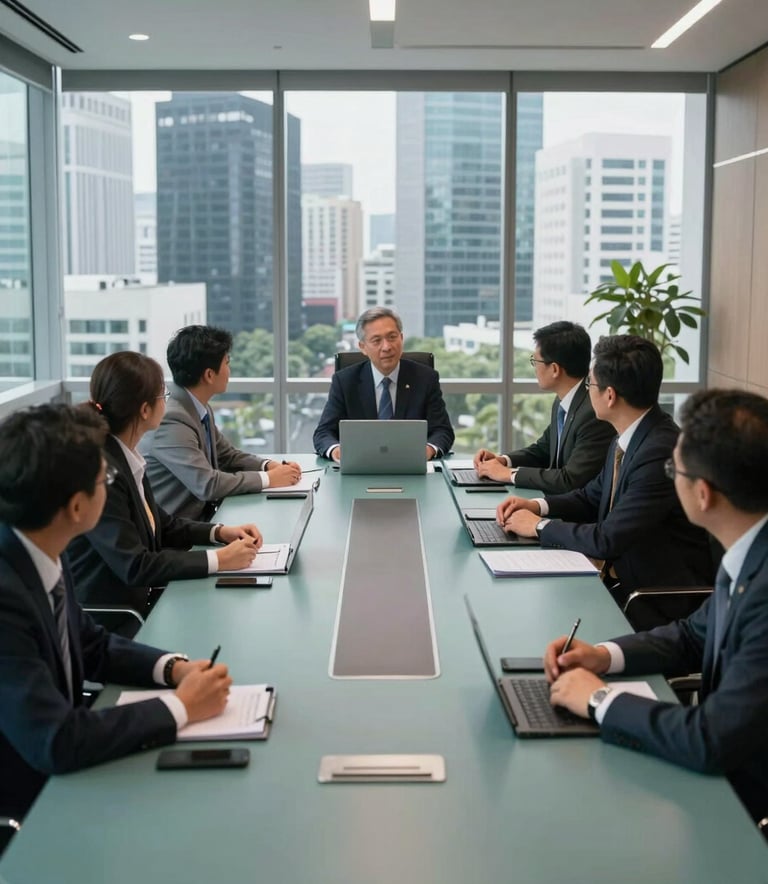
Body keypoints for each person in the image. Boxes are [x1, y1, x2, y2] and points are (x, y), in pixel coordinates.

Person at [544, 389, 768, 827]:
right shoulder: (748, 551)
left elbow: (710, 739)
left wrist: (598, 699)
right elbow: (691, 634)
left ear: (702, 494)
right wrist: (604, 655)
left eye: (673, 470)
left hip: (743, 811)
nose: (670, 477)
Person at [0, 404, 233, 821]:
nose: (109, 485)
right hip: (34, 799)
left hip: (67, 764)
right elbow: (56, 740)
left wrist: (172, 668)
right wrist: (181, 708)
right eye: (104, 479)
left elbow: (89, 642)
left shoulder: (39, 546)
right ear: (75, 507)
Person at [496, 335, 714, 594]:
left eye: (590, 382)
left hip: (653, 596)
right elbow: (591, 496)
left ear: (609, 395)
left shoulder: (659, 451)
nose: (586, 390)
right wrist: (536, 506)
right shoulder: (628, 436)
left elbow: (607, 538)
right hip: (619, 578)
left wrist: (538, 526)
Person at [67, 351, 263, 617]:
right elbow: (135, 565)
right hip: (115, 618)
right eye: (163, 396)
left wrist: (219, 532)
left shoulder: (126, 454)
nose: (166, 402)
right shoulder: (104, 473)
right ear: (145, 410)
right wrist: (219, 559)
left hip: (144, 601)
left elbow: (163, 524)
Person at [140, 325, 302, 520]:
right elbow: (207, 485)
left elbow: (227, 456)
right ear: (209, 375)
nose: (229, 370)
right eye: (227, 362)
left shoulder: (198, 407)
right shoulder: (172, 419)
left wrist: (268, 466)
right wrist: (268, 479)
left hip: (204, 520)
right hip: (178, 534)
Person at [473, 321, 615, 492]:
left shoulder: (593, 413)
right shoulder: (564, 401)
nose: (535, 368)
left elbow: (570, 480)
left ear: (555, 369)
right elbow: (543, 449)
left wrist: (509, 474)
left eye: (536, 361)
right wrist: (503, 460)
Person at [312, 306, 455, 462]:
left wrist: (427, 451)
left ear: (401, 338)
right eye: (376, 340)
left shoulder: (425, 378)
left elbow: (442, 430)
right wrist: (336, 450)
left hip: (411, 467)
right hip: (361, 466)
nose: (386, 347)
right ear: (363, 347)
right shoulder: (345, 381)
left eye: (392, 337)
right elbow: (323, 432)